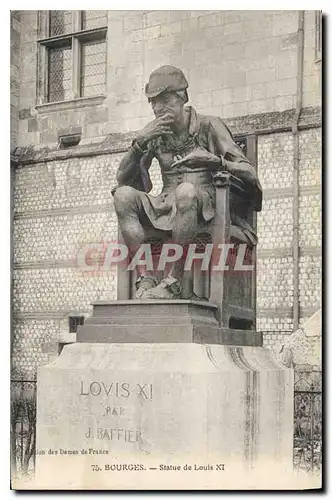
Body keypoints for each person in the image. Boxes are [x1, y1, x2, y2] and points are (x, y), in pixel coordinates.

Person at [113, 65, 262, 300]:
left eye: (164, 100)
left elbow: (249, 173)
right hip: (166, 203)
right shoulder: (155, 134)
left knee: (186, 192)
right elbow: (122, 179)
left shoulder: (209, 125)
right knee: (122, 196)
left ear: (182, 97)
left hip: (206, 204)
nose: (157, 108)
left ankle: (173, 282)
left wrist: (214, 161)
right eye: (152, 102)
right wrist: (140, 142)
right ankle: (147, 278)